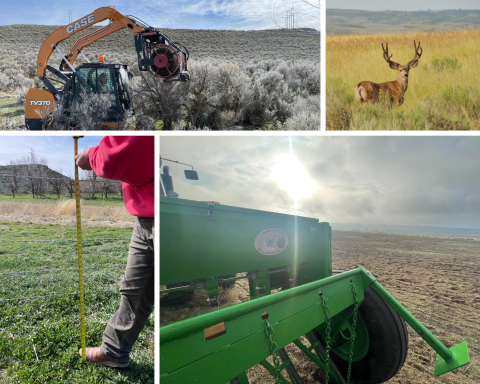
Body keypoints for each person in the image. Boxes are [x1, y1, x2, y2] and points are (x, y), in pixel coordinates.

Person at [74, 135, 155, 369]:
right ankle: (114, 351)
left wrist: (91, 155)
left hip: (165, 215)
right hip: (145, 219)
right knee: (133, 291)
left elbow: (122, 151)